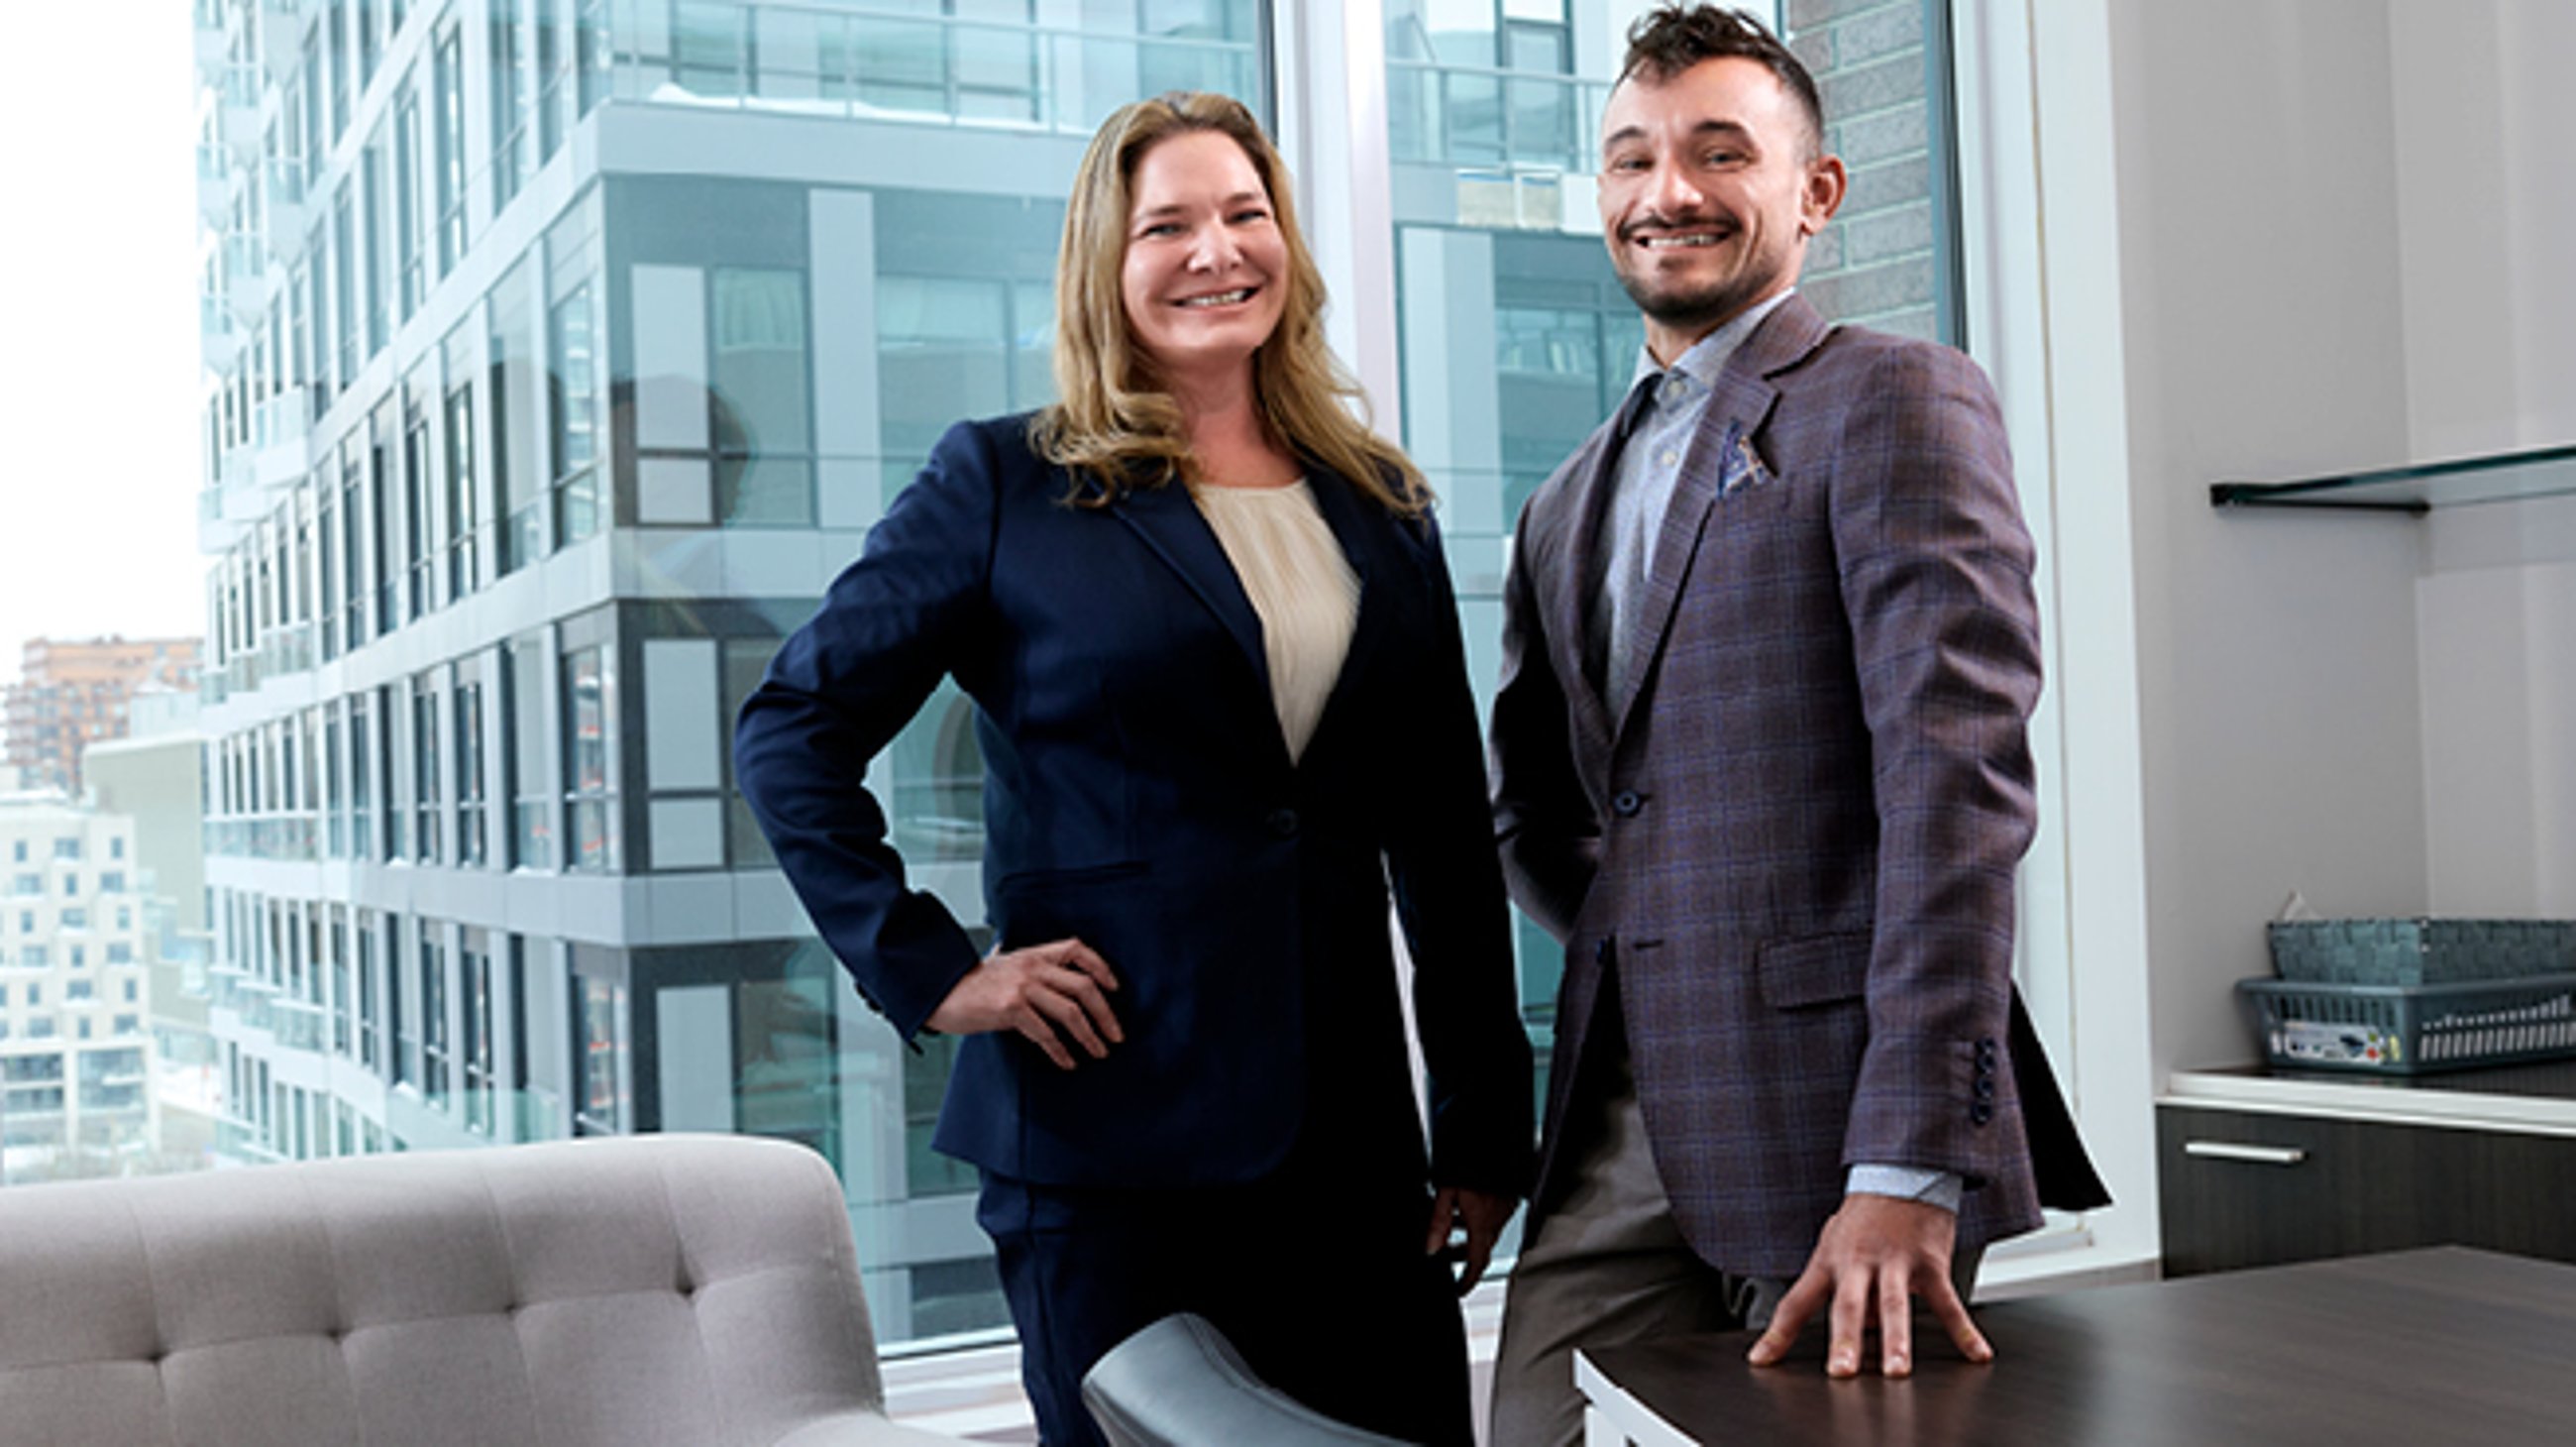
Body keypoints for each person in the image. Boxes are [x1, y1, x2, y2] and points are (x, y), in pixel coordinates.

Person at [734, 91, 1532, 1447]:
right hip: (1110, 1155)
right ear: (1109, 262)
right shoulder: (1003, 484)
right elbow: (790, 732)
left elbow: (1445, 837)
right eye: (1168, 224)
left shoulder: (1381, 506)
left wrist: (1478, 1129)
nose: (1216, 251)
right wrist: (934, 970)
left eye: (1246, 214)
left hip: (1349, 1162)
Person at [1484, 8, 2110, 1442]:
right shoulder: (1565, 494)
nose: (1670, 193)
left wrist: (1906, 1161)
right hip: (1623, 1115)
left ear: (1815, 191)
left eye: (1720, 152)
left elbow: (1956, 797)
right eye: (1632, 158)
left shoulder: (1893, 397)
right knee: (1530, 1423)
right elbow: (1535, 806)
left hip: (1838, 1126)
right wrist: (1667, 945)